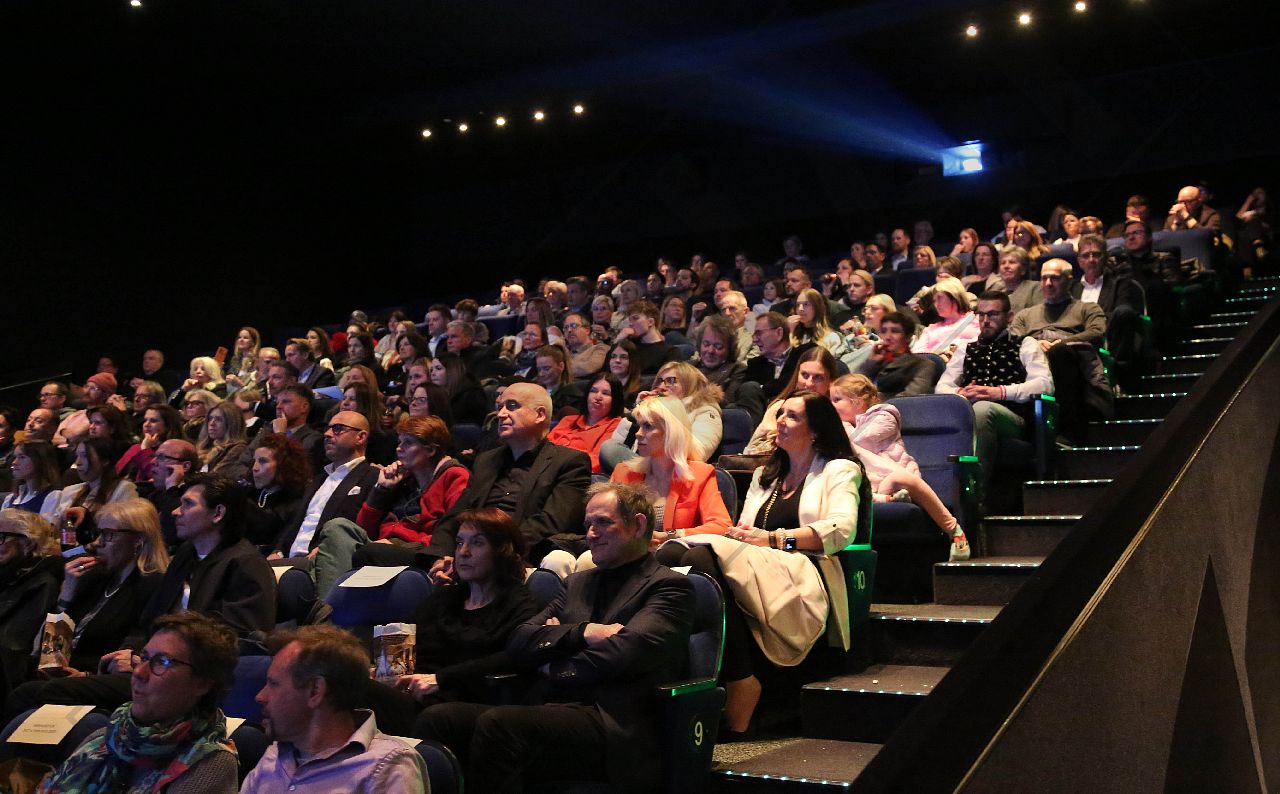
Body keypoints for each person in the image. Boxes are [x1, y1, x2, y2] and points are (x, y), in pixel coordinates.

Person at [414, 482, 695, 793]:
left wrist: (551, 662)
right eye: (587, 524)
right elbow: (519, 640)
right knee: (440, 718)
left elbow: (624, 652)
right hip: (551, 706)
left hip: (610, 720)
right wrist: (581, 632)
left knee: (499, 725)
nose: (590, 534)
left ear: (638, 525)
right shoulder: (576, 583)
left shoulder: (669, 587)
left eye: (603, 522)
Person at [664, 392, 864, 736]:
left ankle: (742, 680)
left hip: (806, 568)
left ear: (816, 430)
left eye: (792, 416)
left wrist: (775, 539)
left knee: (699, 557)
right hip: (759, 562)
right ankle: (678, 675)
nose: (780, 422)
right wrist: (741, 535)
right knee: (671, 554)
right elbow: (746, 528)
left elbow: (840, 530)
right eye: (780, 414)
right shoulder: (764, 475)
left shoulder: (839, 470)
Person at [1, 474, 277, 723]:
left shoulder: (245, 564)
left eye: (187, 504)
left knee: (29, 693)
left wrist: (139, 661)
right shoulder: (185, 556)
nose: (175, 511)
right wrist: (133, 654)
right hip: (144, 666)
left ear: (218, 513)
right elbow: (147, 625)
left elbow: (235, 642)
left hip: (182, 676)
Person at [390, 383, 591, 567]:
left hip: (521, 557)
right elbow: (455, 516)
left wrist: (488, 550)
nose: (500, 414)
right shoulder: (486, 460)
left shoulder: (569, 462)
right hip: (469, 552)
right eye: (500, 406)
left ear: (539, 415)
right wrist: (440, 556)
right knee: (379, 555)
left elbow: (550, 525)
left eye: (511, 406)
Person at [38, 612, 240, 794]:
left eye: (162, 662)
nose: (139, 673)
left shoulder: (210, 764)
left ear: (202, 684)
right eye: (143, 658)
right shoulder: (104, 738)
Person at [374, 508, 540, 720]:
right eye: (460, 543)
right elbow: (404, 632)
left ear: (502, 551)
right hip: (414, 696)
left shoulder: (519, 604)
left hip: (460, 707)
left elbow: (512, 658)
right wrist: (385, 671)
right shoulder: (447, 596)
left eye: (477, 543)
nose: (463, 552)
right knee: (350, 684)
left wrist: (440, 679)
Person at [242, 625, 427, 793]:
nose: (260, 696)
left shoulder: (387, 767)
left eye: (273, 684)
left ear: (315, 691)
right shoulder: (274, 756)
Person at [829, 375, 969, 560]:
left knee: (898, 479)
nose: (831, 405)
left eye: (837, 400)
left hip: (895, 474)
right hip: (869, 482)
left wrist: (839, 427)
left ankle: (954, 530)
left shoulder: (885, 415)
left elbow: (857, 442)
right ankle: (888, 499)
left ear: (858, 402)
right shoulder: (844, 426)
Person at [936, 291, 1055, 484]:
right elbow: (941, 387)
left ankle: (977, 488)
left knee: (983, 409)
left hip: (1013, 418)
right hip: (970, 415)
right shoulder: (966, 349)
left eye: (992, 314)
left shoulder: (1025, 344)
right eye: (981, 315)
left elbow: (1044, 385)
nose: (985, 320)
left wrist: (999, 392)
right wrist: (960, 393)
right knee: (967, 411)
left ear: (1009, 316)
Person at [48, 499, 169, 676]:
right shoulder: (95, 577)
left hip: (97, 679)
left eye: (108, 534)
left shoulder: (153, 586)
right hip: (61, 674)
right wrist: (66, 595)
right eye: (98, 533)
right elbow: (50, 651)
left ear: (138, 540)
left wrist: (86, 675)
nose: (97, 542)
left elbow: (129, 655)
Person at [268, 411, 380, 597]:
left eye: (338, 429)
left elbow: (361, 527)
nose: (327, 434)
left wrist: (327, 548)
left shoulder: (373, 477)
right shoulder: (318, 479)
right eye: (328, 428)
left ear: (360, 437)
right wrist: (278, 551)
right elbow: (295, 524)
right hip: (290, 559)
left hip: (322, 560)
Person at [1010, 259, 1111, 444]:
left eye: (1055, 278)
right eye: (1044, 278)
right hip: (1031, 365)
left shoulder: (1087, 308)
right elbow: (1013, 337)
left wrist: (1060, 343)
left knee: (1059, 352)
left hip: (1072, 364)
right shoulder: (1025, 315)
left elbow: (1097, 332)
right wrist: (1035, 344)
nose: (1048, 283)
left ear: (1069, 280)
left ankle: (1067, 431)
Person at [608, 396, 731, 545]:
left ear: (671, 432)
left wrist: (672, 535)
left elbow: (722, 526)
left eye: (648, 426)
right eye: (639, 425)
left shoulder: (700, 474)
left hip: (672, 554)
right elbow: (603, 520)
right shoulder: (623, 472)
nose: (638, 433)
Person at [354, 415, 470, 553]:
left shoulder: (455, 476)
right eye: (399, 442)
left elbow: (454, 531)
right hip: (382, 547)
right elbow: (363, 529)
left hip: (420, 552)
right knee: (339, 527)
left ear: (430, 450)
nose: (399, 448)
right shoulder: (402, 478)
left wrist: (402, 548)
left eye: (408, 443)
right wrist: (382, 488)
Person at [0, 511, 63, 698]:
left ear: (28, 543)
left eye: (1, 537)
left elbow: (13, 645)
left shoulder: (42, 584)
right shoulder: (6, 575)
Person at [744, 344, 840, 455]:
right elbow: (752, 450)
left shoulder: (838, 411)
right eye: (804, 375)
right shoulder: (779, 408)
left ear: (831, 381)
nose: (809, 383)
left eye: (818, 377)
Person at [56, 437, 140, 541]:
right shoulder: (70, 491)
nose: (78, 462)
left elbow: (124, 529)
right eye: (77, 456)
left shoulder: (124, 488)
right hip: (73, 548)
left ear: (105, 460)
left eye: (84, 456)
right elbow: (64, 537)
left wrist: (88, 515)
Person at [243, 433, 312, 549]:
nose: (255, 468)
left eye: (263, 461)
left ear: (283, 465)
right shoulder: (250, 492)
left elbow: (270, 527)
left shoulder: (295, 500)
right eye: (254, 461)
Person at [546, 376, 626, 474]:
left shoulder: (615, 424)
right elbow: (545, 448)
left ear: (615, 400)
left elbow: (596, 462)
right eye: (593, 391)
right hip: (547, 469)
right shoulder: (567, 420)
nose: (598, 397)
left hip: (575, 474)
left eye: (605, 393)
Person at [855, 311, 939, 399]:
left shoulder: (923, 365)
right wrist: (871, 362)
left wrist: (871, 402)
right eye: (884, 331)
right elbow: (852, 386)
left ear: (908, 337)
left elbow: (909, 399)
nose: (888, 337)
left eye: (895, 331)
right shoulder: (878, 360)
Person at [744, 311, 817, 403]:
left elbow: (796, 382)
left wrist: (764, 388)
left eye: (759, 333)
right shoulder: (755, 365)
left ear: (779, 333)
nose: (754, 340)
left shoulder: (805, 354)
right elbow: (748, 395)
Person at [911, 279, 979, 359]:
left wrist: (957, 345)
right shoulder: (930, 330)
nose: (936, 304)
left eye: (940, 298)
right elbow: (917, 356)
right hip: (938, 365)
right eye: (934, 301)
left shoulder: (977, 321)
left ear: (954, 296)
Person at [2, 440, 64, 525]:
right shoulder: (11, 498)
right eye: (15, 457)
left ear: (39, 461)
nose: (14, 462)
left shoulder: (52, 496)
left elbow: (45, 530)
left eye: (22, 457)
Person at [614, 299, 676, 375]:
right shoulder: (630, 347)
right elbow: (608, 369)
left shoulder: (670, 351)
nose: (630, 323)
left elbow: (667, 378)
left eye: (635, 318)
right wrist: (618, 340)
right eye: (630, 320)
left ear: (650, 322)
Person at [194, 400, 248, 481]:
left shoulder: (238, 448)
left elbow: (215, 476)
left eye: (219, 419)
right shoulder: (204, 446)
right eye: (210, 418)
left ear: (231, 424)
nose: (212, 423)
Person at [532, 345, 584, 420]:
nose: (541, 374)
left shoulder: (571, 394)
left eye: (546, 368)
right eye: (539, 369)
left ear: (561, 366)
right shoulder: (534, 391)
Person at [994, 246, 1044, 315]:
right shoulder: (996, 293)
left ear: (1023, 269)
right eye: (1003, 263)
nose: (1006, 266)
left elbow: (1038, 316)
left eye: (1012, 262)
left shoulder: (1036, 288)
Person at [562, 312, 608, 378]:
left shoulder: (600, 348)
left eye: (574, 326)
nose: (569, 330)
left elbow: (590, 367)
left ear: (587, 330)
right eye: (566, 327)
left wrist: (560, 369)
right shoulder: (563, 351)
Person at [605, 339, 644, 407]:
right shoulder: (602, 385)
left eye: (623, 357)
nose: (617, 360)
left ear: (632, 361)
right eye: (613, 356)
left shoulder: (642, 389)